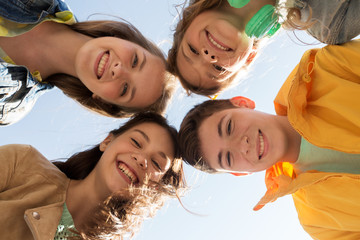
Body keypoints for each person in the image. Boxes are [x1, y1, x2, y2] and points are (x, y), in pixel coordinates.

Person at [178, 39, 360, 239]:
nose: (242, 145)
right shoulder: (319, 222)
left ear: (242, 103)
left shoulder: (323, 69)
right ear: (240, 173)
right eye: (228, 158)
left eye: (229, 127)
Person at [0, 112, 185, 239]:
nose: (142, 159)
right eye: (136, 142)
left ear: (153, 188)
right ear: (107, 141)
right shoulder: (22, 162)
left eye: (156, 164)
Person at [0, 0, 175, 126]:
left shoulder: (10, 106)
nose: (118, 70)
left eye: (125, 89)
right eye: (135, 60)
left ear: (103, 101)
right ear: (124, 38)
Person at [168, 0, 360, 96]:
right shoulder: (330, 25)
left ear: (190, 19)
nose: (208, 57)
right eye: (218, 69)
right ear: (249, 58)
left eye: (192, 51)